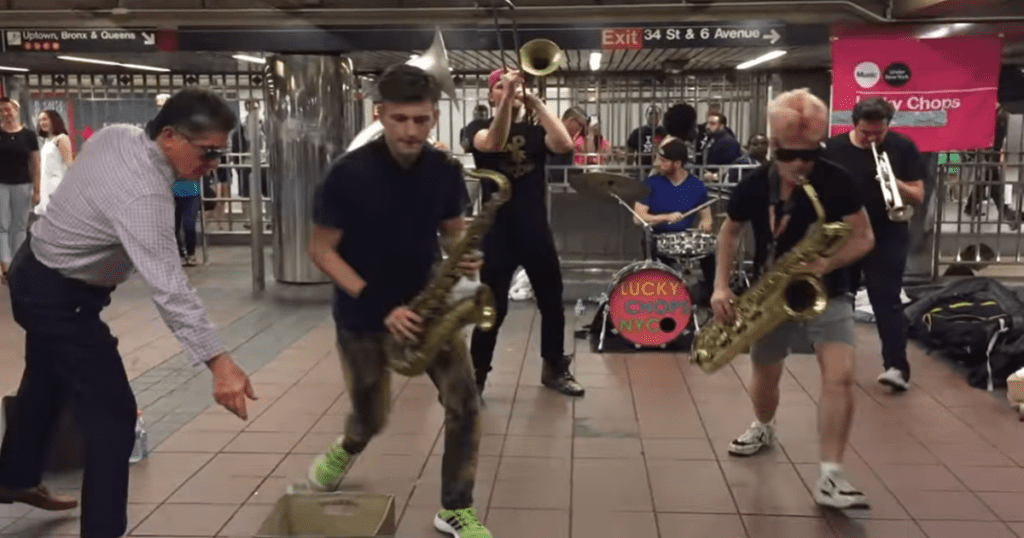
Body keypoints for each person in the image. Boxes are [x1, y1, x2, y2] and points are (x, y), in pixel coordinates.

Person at [0, 88, 255, 538]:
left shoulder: (118, 135)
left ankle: (15, 479)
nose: (215, 164)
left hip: (34, 269)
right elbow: (170, 289)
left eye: (221, 153)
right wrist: (220, 363)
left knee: (45, 381)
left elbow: (159, 183)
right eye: (209, 152)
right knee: (113, 418)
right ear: (171, 136)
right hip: (61, 299)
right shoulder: (143, 198)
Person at [306, 63, 492, 538]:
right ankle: (349, 445)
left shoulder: (445, 171)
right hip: (363, 312)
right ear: (381, 114)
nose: (412, 130)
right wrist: (382, 305)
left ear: (434, 117)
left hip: (427, 305)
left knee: (464, 402)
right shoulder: (347, 175)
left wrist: (463, 256)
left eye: (422, 120)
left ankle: (455, 507)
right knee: (372, 417)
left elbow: (452, 233)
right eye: (401, 119)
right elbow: (321, 251)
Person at [711, 88, 875, 509]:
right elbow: (729, 231)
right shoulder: (753, 184)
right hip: (771, 291)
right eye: (789, 156)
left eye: (809, 154)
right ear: (773, 147)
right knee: (766, 374)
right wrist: (721, 287)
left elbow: (864, 237)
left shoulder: (834, 180)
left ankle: (831, 475)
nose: (800, 164)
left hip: (829, 289)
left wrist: (825, 265)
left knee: (839, 377)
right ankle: (764, 425)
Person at [466, 67, 583, 398]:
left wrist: (535, 103)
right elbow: (493, 142)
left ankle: (554, 368)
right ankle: (476, 374)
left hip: (534, 228)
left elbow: (562, 144)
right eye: (501, 88)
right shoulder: (476, 128)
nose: (511, 91)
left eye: (515, 87)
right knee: (494, 308)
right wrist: (508, 102)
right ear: (491, 95)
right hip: (498, 233)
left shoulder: (536, 133)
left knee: (552, 302)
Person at [824, 97, 926, 392]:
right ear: (854, 124)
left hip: (888, 233)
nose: (872, 139)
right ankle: (837, 365)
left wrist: (893, 181)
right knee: (840, 300)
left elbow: (918, 196)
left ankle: (896, 367)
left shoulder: (902, 147)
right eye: (866, 133)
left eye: (878, 133)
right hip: (845, 235)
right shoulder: (833, 149)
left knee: (887, 302)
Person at [633, 138, 715, 304]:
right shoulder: (650, 184)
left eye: (663, 160)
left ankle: (711, 295)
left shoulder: (696, 185)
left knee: (710, 251)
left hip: (684, 239)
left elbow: (707, 217)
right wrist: (666, 217)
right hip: (657, 239)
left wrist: (705, 224)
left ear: (677, 164)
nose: (657, 163)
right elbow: (638, 218)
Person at [0, 97, 40, 283]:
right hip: (1, 185)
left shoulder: (29, 135)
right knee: (2, 227)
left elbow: (35, 163)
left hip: (23, 185)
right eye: (2, 111)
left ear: (16, 110)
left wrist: (37, 190)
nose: (6, 114)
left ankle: (18, 264)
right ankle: (6, 267)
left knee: (19, 227)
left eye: (9, 109)